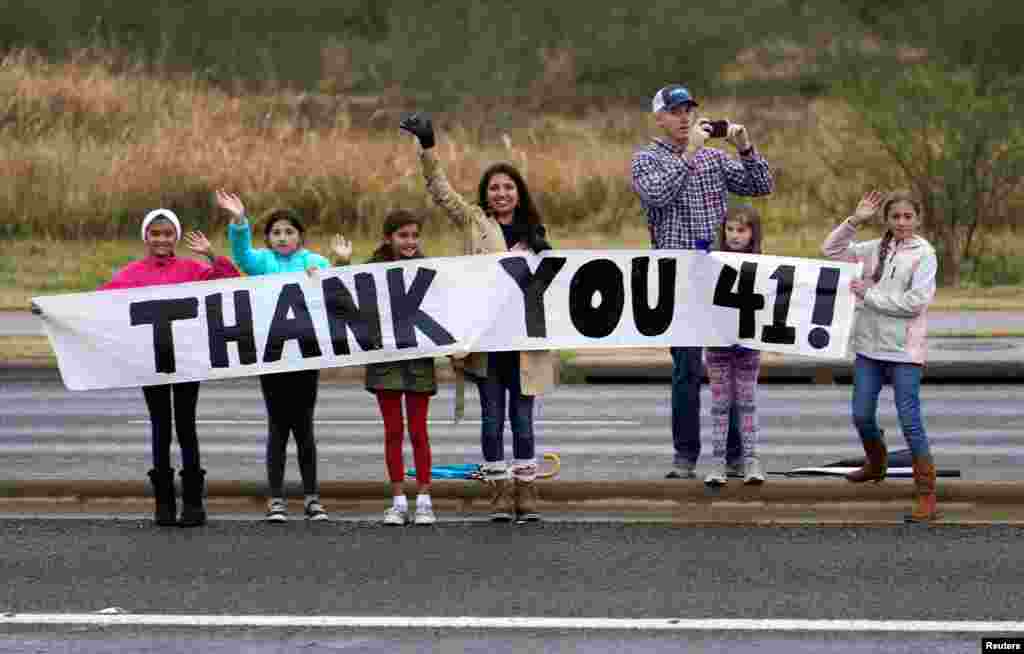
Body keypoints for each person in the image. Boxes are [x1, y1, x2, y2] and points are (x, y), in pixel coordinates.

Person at [30, 209, 241, 527]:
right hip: (149, 363)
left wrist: (212, 254)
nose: (161, 239)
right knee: (160, 428)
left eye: (168, 233)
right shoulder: (132, 273)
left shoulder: (191, 269)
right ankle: (164, 505)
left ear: (175, 237)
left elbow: (232, 282)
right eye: (155, 234)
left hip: (187, 362)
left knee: (186, 428)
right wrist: (52, 308)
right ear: (146, 237)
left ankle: (194, 505)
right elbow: (96, 302)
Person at [400, 112, 556, 523]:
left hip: (524, 343)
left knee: (522, 422)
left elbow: (552, 286)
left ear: (519, 194)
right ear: (486, 195)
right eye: (495, 188)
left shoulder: (535, 233)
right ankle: (499, 492)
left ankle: (527, 491)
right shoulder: (474, 221)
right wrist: (428, 148)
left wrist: (546, 250)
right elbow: (440, 191)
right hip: (486, 341)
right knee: (491, 420)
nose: (501, 193)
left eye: (508, 187)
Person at [631, 84, 775, 480]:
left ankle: (732, 455)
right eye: (675, 112)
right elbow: (656, 195)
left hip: (720, 279)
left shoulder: (715, 157)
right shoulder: (646, 159)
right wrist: (689, 153)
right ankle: (686, 454)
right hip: (676, 280)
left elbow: (761, 186)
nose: (684, 118)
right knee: (687, 368)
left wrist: (745, 146)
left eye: (688, 111)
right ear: (659, 118)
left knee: (725, 365)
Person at [219, 190, 345, 522]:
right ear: (269, 239)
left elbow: (336, 288)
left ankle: (312, 498)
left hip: (306, 357)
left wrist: (341, 263)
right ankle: (276, 499)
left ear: (300, 236)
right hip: (272, 357)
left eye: (289, 232)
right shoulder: (261, 263)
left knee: (304, 429)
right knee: (278, 428)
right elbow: (241, 254)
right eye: (276, 232)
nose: (283, 237)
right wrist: (239, 221)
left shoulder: (313, 262)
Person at [822, 190, 939, 522]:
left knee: (910, 420)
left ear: (917, 219)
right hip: (869, 346)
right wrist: (855, 221)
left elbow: (915, 303)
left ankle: (926, 493)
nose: (902, 222)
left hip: (904, 349)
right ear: (886, 220)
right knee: (861, 415)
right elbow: (830, 250)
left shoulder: (925, 254)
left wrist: (869, 296)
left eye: (908, 217)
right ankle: (876, 463)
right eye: (895, 217)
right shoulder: (872, 249)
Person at [335, 210, 440, 526]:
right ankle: (397, 501)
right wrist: (342, 265)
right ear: (388, 238)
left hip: (419, 360)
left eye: (414, 235)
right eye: (402, 235)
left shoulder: (429, 270)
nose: (409, 241)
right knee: (394, 432)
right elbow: (348, 299)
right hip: (385, 361)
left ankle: (424, 499)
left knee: (419, 432)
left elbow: (446, 309)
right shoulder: (372, 271)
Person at [703, 205, 766, 486]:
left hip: (748, 345)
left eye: (741, 230)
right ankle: (718, 462)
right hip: (717, 343)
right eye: (730, 229)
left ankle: (751, 460)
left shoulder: (764, 264)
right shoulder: (712, 260)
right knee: (719, 405)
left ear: (752, 234)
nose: (735, 235)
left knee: (747, 403)